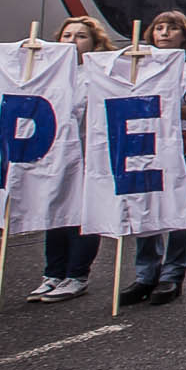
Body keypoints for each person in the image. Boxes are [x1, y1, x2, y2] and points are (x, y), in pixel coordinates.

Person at [29, 16, 113, 301]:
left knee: (82, 215)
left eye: (80, 36)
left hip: (88, 153)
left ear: (94, 43)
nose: (72, 41)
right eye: (67, 35)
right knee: (55, 212)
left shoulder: (99, 74)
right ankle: (53, 272)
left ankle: (77, 274)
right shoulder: (49, 74)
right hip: (56, 153)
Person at [125, 9, 186, 305]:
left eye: (172, 28)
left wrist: (166, 107)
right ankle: (146, 273)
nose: (165, 33)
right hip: (147, 143)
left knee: (178, 209)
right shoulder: (139, 63)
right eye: (159, 28)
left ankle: (173, 274)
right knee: (146, 206)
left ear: (184, 34)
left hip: (183, 142)